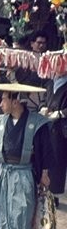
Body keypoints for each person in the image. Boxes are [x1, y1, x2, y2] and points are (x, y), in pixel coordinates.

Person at [0, 84, 53, 229]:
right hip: (4, 172)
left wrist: (44, 173)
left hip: (24, 173)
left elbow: (45, 150)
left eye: (4, 100)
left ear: (15, 101)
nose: (0, 104)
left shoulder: (37, 123)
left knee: (22, 212)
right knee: (3, 212)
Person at [41, 74, 67, 208]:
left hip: (63, 128)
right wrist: (43, 107)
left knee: (58, 162)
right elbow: (44, 99)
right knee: (48, 159)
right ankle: (45, 192)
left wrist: (62, 113)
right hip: (49, 124)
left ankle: (55, 194)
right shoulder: (50, 83)